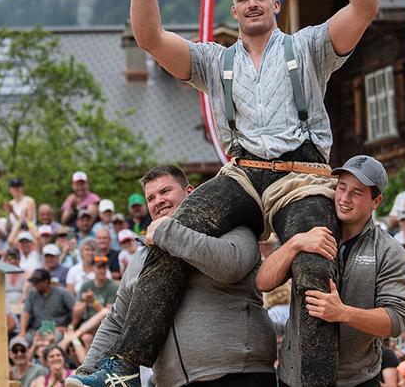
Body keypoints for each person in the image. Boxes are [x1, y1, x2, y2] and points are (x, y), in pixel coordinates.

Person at [92, 0, 380, 386]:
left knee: (315, 260)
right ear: (235, 8)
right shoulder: (215, 60)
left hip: (303, 176)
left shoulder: (308, 46)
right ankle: (122, 364)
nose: (251, 5)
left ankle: (314, 383)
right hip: (243, 174)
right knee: (171, 233)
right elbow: (150, 39)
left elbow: (364, 7)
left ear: (274, 6)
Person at [74, 165, 282, 387]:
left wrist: (168, 233)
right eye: (151, 198)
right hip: (173, 382)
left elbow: (230, 266)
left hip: (239, 374)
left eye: (165, 191)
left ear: (191, 192)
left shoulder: (234, 228)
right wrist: (86, 370)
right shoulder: (141, 258)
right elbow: (117, 319)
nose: (158, 201)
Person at [260, 155, 405, 387]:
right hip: (294, 376)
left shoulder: (389, 250)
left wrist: (343, 313)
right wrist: (296, 243)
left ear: (376, 201)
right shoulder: (311, 228)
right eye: (341, 188)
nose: (344, 199)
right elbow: (263, 282)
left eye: (357, 192)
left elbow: (395, 321)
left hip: (357, 379)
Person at [20, 269, 76, 340]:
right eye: (33, 282)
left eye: (37, 282)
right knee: (20, 341)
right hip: (37, 330)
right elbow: (25, 312)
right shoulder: (32, 294)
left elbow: (77, 308)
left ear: (46, 281)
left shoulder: (61, 293)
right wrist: (22, 331)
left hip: (57, 329)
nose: (34, 284)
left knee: (54, 338)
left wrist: (70, 327)